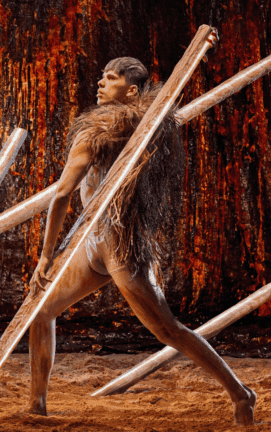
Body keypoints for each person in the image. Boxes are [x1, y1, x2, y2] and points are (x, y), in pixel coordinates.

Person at [26, 57, 257, 425]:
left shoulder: (136, 133)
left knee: (168, 330)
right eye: (101, 76)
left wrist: (44, 256)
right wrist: (49, 255)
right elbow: (65, 195)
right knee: (40, 312)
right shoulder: (100, 130)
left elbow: (62, 196)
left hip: (122, 244)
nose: (100, 82)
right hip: (91, 241)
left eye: (111, 78)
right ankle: (37, 403)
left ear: (131, 91)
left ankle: (241, 394)